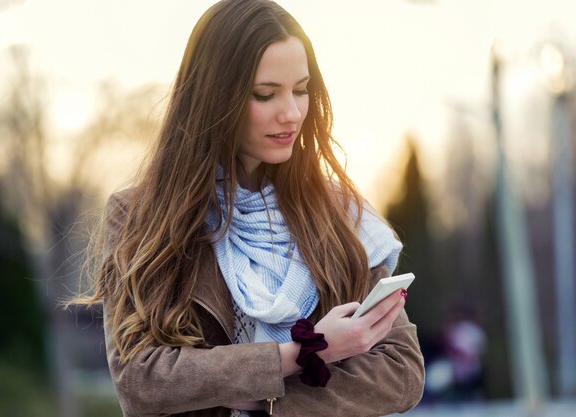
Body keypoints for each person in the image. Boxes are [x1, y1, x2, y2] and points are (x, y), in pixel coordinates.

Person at [72, 0, 424, 415]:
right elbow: (141, 380)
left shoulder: (341, 213)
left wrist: (262, 401)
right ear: (214, 98)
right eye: (265, 94)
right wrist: (304, 353)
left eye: (300, 90)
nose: (291, 113)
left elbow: (400, 372)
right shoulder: (139, 216)